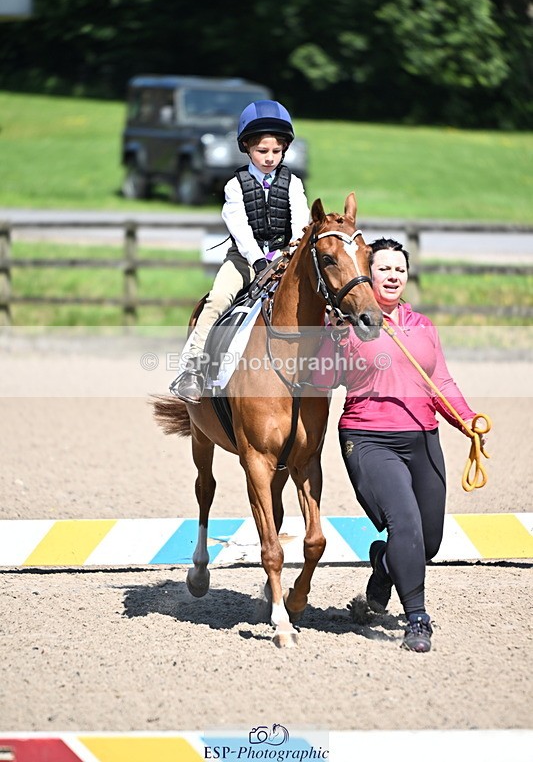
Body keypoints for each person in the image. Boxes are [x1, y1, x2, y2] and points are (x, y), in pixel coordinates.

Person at [315, 238, 480, 652]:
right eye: (383, 268)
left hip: (422, 435)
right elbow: (319, 381)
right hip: (369, 438)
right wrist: (327, 339)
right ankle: (417, 618)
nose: (392, 276)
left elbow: (439, 382)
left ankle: (384, 565)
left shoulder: (422, 326)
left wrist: (468, 420)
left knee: (429, 542)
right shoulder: (347, 325)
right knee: (403, 522)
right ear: (368, 274)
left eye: (399, 269)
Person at [170, 99, 310, 403]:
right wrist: (258, 260)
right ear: (246, 146)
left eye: (276, 151)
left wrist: (291, 252)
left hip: (285, 259)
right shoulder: (235, 184)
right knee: (218, 299)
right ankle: (193, 367)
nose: (270, 158)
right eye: (263, 151)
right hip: (244, 260)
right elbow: (239, 226)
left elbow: (301, 221)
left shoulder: (293, 183)